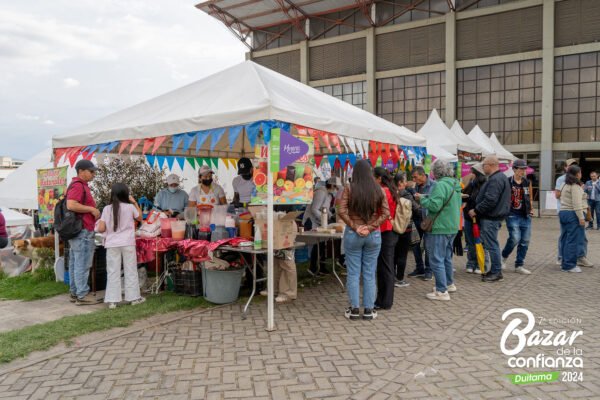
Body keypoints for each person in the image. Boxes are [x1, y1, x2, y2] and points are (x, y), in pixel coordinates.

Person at [339, 160, 389, 321]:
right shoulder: (378, 189)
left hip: (353, 235)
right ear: (370, 172)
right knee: (369, 272)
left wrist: (355, 226)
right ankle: (368, 310)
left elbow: (341, 211)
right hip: (373, 235)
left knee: (353, 273)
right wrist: (370, 227)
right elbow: (386, 213)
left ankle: (354, 309)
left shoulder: (349, 188)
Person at [415, 160, 461, 301]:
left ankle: (442, 291)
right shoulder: (454, 184)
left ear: (436, 172)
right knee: (446, 257)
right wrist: (426, 197)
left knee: (436, 258)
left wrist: (421, 200)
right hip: (452, 226)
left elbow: (434, 205)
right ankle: (449, 283)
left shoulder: (440, 185)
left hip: (440, 227)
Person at [97, 183, 145, 308]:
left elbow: (101, 228)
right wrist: (134, 202)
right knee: (131, 270)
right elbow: (140, 217)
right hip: (128, 242)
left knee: (113, 272)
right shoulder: (130, 207)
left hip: (112, 244)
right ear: (125, 194)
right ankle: (134, 298)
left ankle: (113, 301)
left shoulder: (107, 209)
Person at [468, 156, 510, 283]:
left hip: (491, 217)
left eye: (484, 165)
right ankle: (495, 270)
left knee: (492, 245)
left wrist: (476, 210)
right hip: (493, 216)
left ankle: (496, 272)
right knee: (492, 244)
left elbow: (490, 200)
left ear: (491, 165)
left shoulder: (496, 179)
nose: (483, 167)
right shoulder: (499, 178)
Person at [67, 160, 101, 305]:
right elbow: (71, 204)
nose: (93, 174)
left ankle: (75, 292)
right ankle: (82, 294)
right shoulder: (78, 186)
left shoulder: (78, 185)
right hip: (83, 230)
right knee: (82, 263)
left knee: (76, 262)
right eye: (91, 171)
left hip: (78, 230)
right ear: (81, 171)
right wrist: (91, 209)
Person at [501, 159, 533, 275]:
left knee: (525, 241)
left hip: (525, 215)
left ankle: (519, 265)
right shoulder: (508, 181)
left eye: (524, 169)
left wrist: (531, 210)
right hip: (512, 214)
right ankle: (503, 257)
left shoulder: (527, 182)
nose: (523, 171)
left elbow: (529, 197)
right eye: (520, 169)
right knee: (515, 238)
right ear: (514, 169)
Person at [302, 177, 339, 275]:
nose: (336, 190)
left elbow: (325, 209)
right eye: (336, 187)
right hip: (312, 221)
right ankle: (313, 268)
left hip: (321, 221)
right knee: (317, 244)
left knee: (322, 243)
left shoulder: (329, 195)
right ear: (331, 185)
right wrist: (325, 218)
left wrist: (332, 215)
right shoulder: (321, 192)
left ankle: (321, 267)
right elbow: (315, 209)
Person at [373, 167, 398, 310]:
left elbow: (378, 211)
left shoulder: (383, 192)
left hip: (384, 230)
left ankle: (385, 300)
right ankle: (384, 299)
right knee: (385, 266)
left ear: (379, 179)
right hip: (389, 229)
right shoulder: (392, 190)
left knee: (385, 267)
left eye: (373, 177)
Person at [558, 165, 589, 272]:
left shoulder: (564, 184)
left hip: (563, 212)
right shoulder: (575, 186)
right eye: (580, 172)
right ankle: (570, 265)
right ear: (577, 174)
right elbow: (577, 204)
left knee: (565, 239)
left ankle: (564, 263)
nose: (581, 174)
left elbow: (559, 196)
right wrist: (581, 218)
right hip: (573, 214)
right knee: (572, 240)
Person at [407, 166, 435, 280]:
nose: (414, 179)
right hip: (416, 219)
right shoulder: (415, 186)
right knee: (415, 244)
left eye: (415, 177)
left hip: (428, 219)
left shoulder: (434, 185)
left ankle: (429, 270)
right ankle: (420, 268)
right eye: (412, 177)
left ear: (423, 175)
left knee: (428, 246)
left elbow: (434, 201)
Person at [462, 163, 489, 274]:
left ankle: (480, 264)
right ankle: (471, 263)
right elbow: (464, 196)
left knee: (481, 242)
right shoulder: (471, 184)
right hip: (469, 218)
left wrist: (476, 211)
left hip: (481, 219)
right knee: (470, 242)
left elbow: (486, 202)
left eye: (472, 172)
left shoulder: (486, 185)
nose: (470, 174)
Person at [393, 173, 419, 288]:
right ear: (400, 183)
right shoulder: (407, 194)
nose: (406, 182)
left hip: (392, 227)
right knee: (402, 254)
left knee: (393, 254)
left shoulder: (391, 193)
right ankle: (399, 279)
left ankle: (391, 277)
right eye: (404, 181)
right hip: (405, 228)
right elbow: (416, 209)